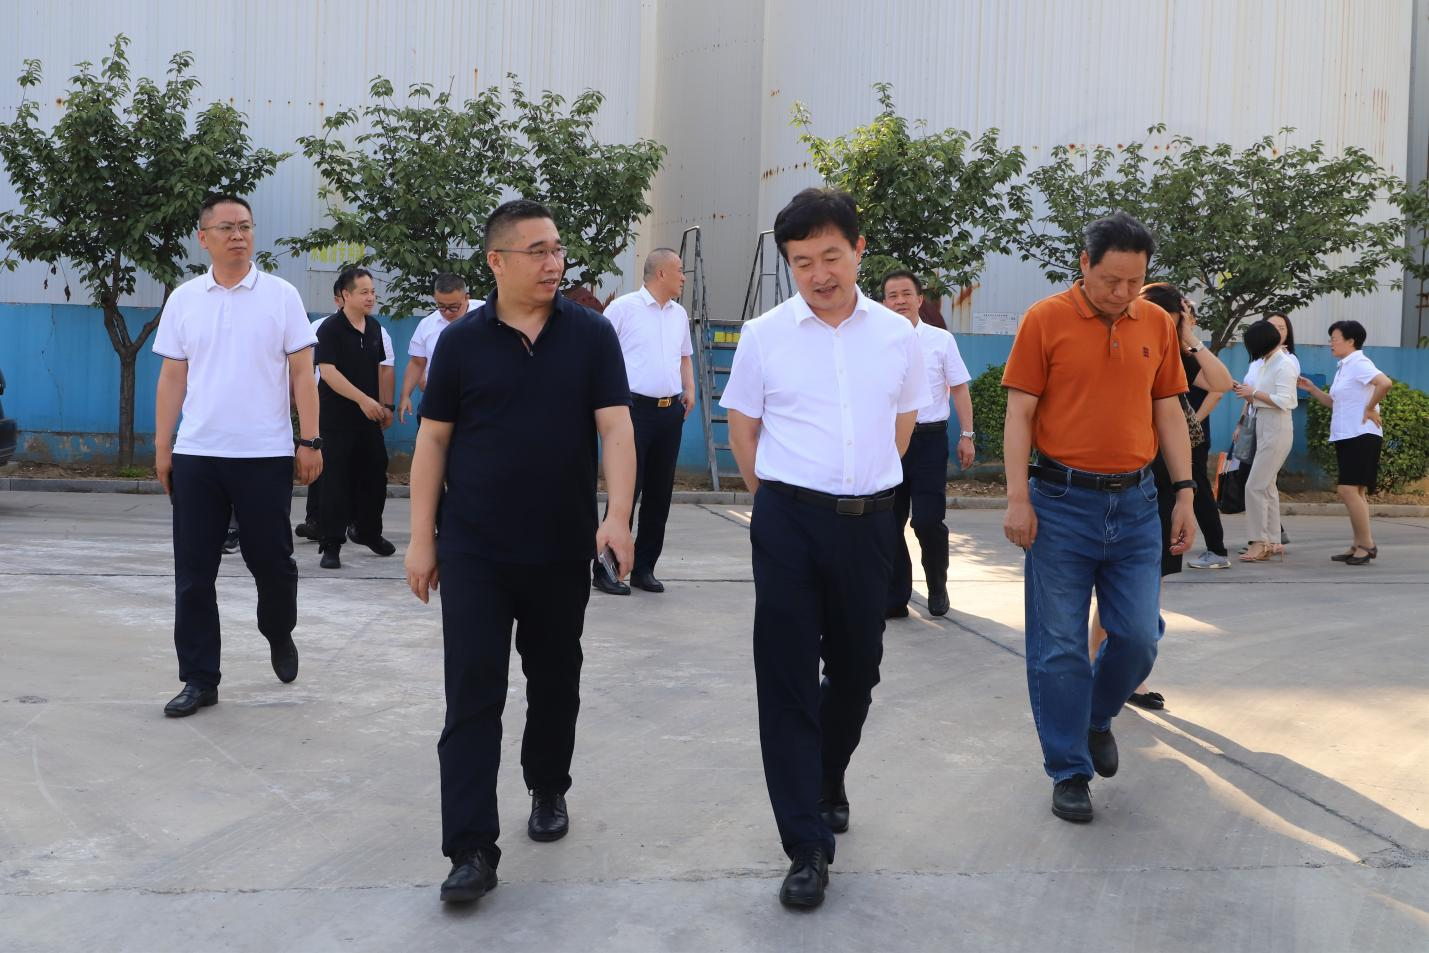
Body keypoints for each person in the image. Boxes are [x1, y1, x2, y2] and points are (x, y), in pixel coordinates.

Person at [404, 199, 636, 906]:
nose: (553, 262)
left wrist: (616, 516)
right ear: (496, 261)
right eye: (537, 250)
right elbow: (433, 440)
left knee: (555, 679)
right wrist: (421, 537)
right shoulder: (460, 343)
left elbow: (616, 428)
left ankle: (547, 785)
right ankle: (470, 848)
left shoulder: (591, 335)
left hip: (560, 545)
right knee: (472, 693)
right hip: (474, 548)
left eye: (557, 248)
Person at [721, 188, 928, 909]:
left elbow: (902, 423)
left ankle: (826, 770)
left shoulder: (898, 335)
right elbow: (743, 426)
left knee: (857, 669)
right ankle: (805, 844)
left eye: (830, 256)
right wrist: (775, 500)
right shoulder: (764, 335)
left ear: (858, 250)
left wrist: (863, 486)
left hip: (868, 524)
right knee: (784, 678)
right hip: (787, 521)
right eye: (802, 261)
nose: (818, 274)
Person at [1001, 211, 1195, 824]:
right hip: (1061, 504)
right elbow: (1020, 414)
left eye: (1134, 281)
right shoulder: (1045, 319)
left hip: (1137, 504)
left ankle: (1096, 716)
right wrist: (1017, 497)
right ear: (1084, 264)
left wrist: (1184, 492)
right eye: (1112, 280)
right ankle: (1069, 771)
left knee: (1137, 636)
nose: (1123, 292)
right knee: (1059, 647)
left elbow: (1169, 411)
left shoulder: (1156, 322)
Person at [151, 193, 322, 717]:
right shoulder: (185, 299)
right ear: (203, 238)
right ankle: (200, 678)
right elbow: (173, 376)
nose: (238, 235)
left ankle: (278, 630)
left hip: (264, 454)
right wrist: (163, 446)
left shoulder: (281, 295)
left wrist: (310, 440)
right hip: (198, 455)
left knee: (272, 562)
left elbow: (302, 373)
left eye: (244, 226)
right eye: (226, 227)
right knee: (193, 573)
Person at [1088, 283, 1233, 712]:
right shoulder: (1122, 349)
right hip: (1127, 475)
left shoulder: (1179, 355)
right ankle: (1097, 666)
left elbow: (1222, 382)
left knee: (1148, 586)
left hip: (1169, 480)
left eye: (1167, 322)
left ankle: (1131, 676)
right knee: (1118, 588)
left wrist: (1188, 336)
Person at [592, 247, 695, 596]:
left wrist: (689, 389)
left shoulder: (679, 314)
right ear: (661, 273)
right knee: (625, 492)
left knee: (659, 494)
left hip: (670, 412)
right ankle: (606, 569)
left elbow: (684, 356)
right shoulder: (624, 308)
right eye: (679, 270)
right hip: (632, 411)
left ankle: (644, 568)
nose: (683, 277)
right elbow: (600, 354)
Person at [879, 269, 974, 619]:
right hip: (889, 441)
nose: (900, 301)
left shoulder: (940, 340)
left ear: (919, 299)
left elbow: (959, 387)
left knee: (927, 521)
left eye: (906, 294)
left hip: (929, 441)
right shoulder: (876, 342)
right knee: (889, 521)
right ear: (884, 303)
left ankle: (936, 583)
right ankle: (895, 596)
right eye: (892, 295)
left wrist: (967, 435)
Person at [295, 278, 397, 542]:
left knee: (375, 473)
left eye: (372, 292)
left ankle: (369, 532)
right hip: (335, 416)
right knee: (334, 481)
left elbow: (382, 369)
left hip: (367, 417)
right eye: (364, 292)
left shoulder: (374, 327)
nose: (371, 297)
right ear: (345, 296)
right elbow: (327, 372)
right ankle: (330, 544)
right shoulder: (329, 328)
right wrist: (363, 399)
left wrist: (385, 405)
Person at [1297, 320, 1393, 565]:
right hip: (1348, 434)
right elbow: (1335, 403)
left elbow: (1384, 383)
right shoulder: (1344, 367)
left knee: (1347, 489)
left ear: (1351, 341)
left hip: (1361, 434)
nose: (1331, 343)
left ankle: (1367, 545)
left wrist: (1370, 408)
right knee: (1356, 491)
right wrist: (1312, 389)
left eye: (1335, 338)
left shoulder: (1358, 362)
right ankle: (1358, 544)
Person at [1231, 312, 1298, 550]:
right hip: (1263, 423)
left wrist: (1253, 393)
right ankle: (1272, 541)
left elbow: (1286, 401)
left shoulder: (1284, 364)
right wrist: (1248, 395)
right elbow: (1259, 395)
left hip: (1276, 426)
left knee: (1255, 486)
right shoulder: (1267, 362)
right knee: (1267, 486)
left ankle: (1259, 542)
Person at [1180, 299, 1233, 570]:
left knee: (1198, 490)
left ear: (1193, 321)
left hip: (1192, 437)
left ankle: (1217, 550)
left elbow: (1219, 389)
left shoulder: (1193, 355)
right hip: (1182, 434)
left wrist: (1193, 424)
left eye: (1186, 315)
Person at [397, 273, 483, 424]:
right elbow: (417, 362)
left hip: (478, 400)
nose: (447, 312)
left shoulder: (486, 314)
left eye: (454, 307)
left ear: (466, 297)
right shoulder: (427, 325)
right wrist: (405, 396)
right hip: (438, 400)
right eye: (441, 306)